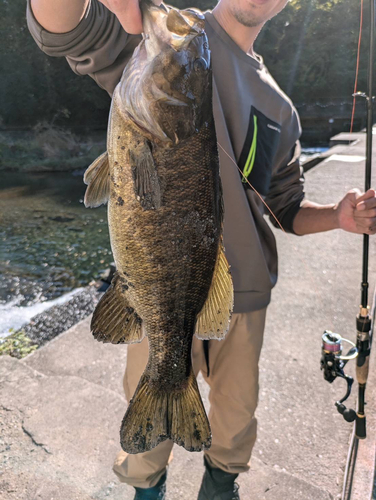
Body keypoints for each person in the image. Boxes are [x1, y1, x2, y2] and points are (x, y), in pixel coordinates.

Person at [26, 1, 376, 499]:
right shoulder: (169, 38)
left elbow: (286, 207)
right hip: (159, 285)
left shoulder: (281, 107)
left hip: (247, 294)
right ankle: (147, 488)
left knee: (235, 417)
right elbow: (63, 28)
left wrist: (337, 218)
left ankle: (221, 484)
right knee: (147, 414)